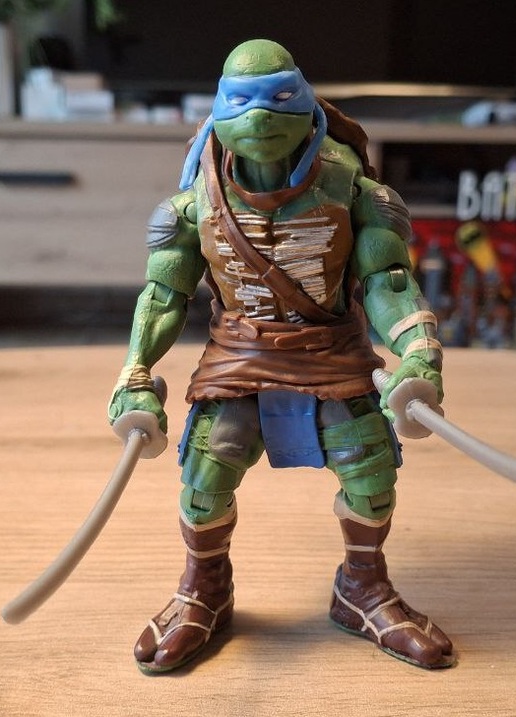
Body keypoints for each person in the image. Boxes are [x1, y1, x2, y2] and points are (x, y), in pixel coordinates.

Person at [108, 38, 454, 673]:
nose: (260, 117)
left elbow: (389, 282)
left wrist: (417, 354)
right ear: (219, 113)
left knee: (371, 476)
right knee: (205, 478)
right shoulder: (192, 206)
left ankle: (362, 589)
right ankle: (204, 590)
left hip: (331, 353)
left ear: (307, 108)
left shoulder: (356, 193)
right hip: (239, 355)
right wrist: (134, 374)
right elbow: (162, 297)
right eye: (241, 102)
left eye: (278, 99)